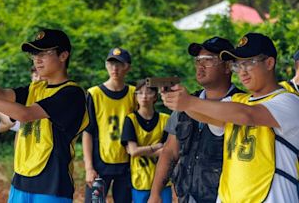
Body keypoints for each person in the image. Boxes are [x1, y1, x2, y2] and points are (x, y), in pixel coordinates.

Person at [0, 29, 89, 202]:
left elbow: (25, 114)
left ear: (63, 55)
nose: (37, 59)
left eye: (44, 53)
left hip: (51, 185)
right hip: (21, 180)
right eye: (34, 54)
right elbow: (3, 94)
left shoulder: (72, 93)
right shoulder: (35, 88)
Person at [162, 33, 299, 202]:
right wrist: (181, 103)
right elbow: (209, 116)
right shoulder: (236, 100)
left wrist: (189, 102)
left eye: (248, 63)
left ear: (269, 63)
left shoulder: (289, 101)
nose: (242, 71)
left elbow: (247, 115)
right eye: (238, 65)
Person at [148, 36, 243, 203]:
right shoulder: (184, 103)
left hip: (224, 198)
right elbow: (170, 151)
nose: (200, 66)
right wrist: (155, 193)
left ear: (228, 66)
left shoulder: (242, 105)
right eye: (198, 60)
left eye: (208, 60)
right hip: (185, 196)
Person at [82, 47, 135, 203]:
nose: (115, 68)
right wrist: (89, 168)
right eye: (111, 64)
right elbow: (87, 132)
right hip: (100, 164)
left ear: (128, 67)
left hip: (127, 165)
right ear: (106, 65)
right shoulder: (94, 94)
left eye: (119, 64)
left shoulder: (135, 94)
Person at [121, 80, 171, 203]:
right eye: (140, 93)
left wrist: (140, 150)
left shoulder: (165, 119)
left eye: (148, 92)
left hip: (163, 180)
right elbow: (133, 152)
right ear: (136, 96)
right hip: (140, 178)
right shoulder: (130, 120)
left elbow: (167, 151)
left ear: (155, 96)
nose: (144, 96)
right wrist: (156, 147)